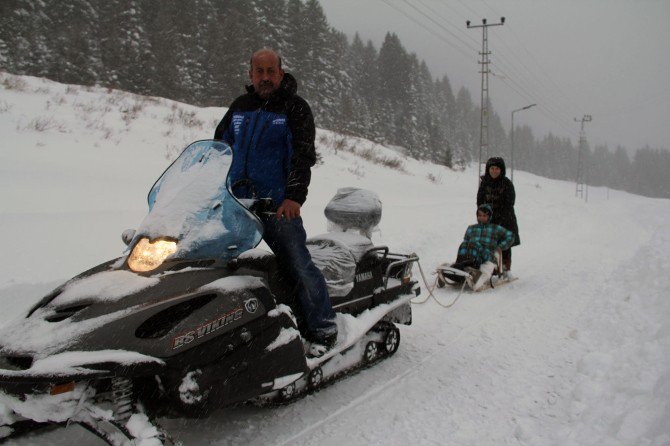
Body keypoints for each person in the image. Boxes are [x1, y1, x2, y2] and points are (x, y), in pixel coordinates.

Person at [213, 48, 337, 353]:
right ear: (250, 74)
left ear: (280, 74)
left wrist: (294, 197)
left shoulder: (294, 108)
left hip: (277, 207)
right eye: (260, 71)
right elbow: (219, 148)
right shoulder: (240, 107)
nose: (265, 77)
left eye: (271, 71)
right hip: (239, 207)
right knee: (220, 268)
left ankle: (322, 327)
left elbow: (302, 155)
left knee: (298, 264)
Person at [450, 204, 515, 290]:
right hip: (472, 255)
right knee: (464, 246)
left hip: (487, 256)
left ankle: (477, 280)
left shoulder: (495, 228)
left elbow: (511, 236)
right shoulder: (471, 228)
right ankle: (455, 271)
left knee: (487, 267)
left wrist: (500, 246)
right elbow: (466, 241)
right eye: (479, 215)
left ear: (489, 216)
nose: (481, 218)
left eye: (484, 216)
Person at [477, 157, 519, 279]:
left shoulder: (507, 184)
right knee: (485, 244)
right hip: (487, 219)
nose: (494, 171)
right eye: (492, 168)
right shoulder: (484, 183)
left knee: (503, 245)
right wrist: (483, 215)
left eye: (497, 169)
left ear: (501, 170)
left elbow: (510, 203)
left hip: (505, 219)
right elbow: (479, 201)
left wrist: (499, 217)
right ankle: (489, 267)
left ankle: (506, 267)